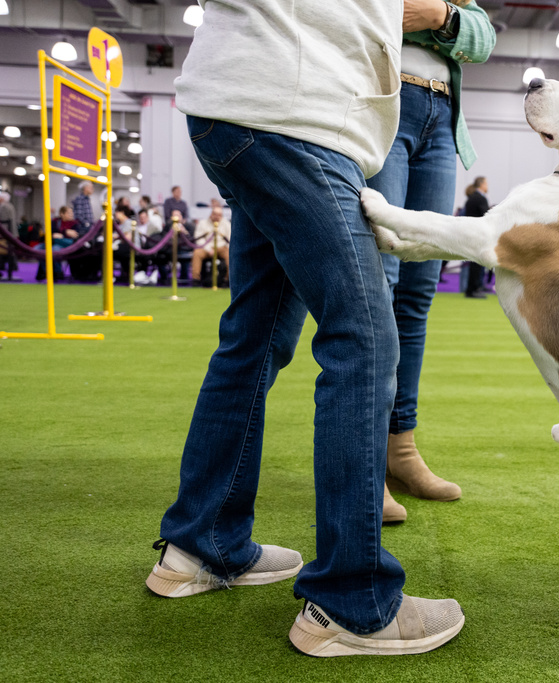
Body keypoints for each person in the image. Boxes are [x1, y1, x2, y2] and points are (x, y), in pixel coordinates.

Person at [145, 0, 464, 655]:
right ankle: (355, 601)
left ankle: (203, 542)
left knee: (257, 335)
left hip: (258, 102)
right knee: (367, 336)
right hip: (292, 109)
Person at [366, 0, 494, 522]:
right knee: (381, 284)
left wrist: (440, 14)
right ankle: (367, 462)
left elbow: (483, 38)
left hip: (442, 117)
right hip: (383, 102)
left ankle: (402, 449)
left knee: (418, 290)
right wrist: (443, 21)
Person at [462, 175, 490, 298]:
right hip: (478, 234)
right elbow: (486, 215)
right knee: (476, 263)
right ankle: (473, 289)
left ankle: (475, 287)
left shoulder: (472, 197)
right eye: (486, 183)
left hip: (471, 232)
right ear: (482, 184)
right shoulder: (480, 198)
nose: (487, 186)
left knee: (475, 262)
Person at [189, 205, 231, 286]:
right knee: (197, 253)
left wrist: (226, 248)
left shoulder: (226, 224)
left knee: (230, 255)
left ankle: (227, 280)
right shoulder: (202, 223)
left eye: (219, 215)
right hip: (206, 247)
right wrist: (208, 249)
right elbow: (199, 239)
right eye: (215, 214)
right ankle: (196, 279)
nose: (217, 217)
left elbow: (229, 239)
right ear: (211, 214)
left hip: (222, 247)